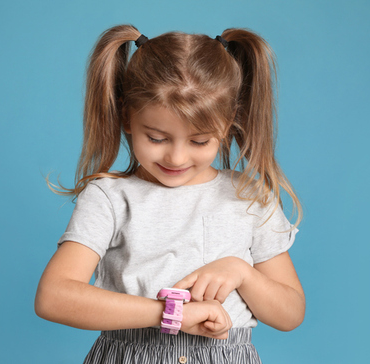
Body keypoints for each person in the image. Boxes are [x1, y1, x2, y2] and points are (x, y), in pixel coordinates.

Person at [35, 24, 305, 364]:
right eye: (157, 138)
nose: (176, 158)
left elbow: (290, 314)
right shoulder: (109, 197)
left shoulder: (250, 196)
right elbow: (53, 297)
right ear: (127, 117)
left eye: (199, 141)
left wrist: (242, 272)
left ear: (228, 124)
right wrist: (167, 313)